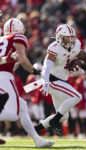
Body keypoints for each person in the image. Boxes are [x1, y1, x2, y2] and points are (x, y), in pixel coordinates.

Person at [0, 18, 54, 147]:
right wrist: (34, 71)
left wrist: (7, 59)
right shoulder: (17, 37)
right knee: (13, 114)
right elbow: (23, 60)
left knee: (22, 106)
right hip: (4, 76)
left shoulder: (1, 40)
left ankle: (37, 140)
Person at [35, 24, 86, 135]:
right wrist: (45, 81)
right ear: (59, 37)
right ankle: (54, 121)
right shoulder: (55, 48)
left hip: (62, 81)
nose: (70, 41)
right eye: (67, 38)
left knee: (64, 116)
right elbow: (46, 66)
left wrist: (84, 67)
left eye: (71, 38)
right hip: (52, 80)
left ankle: (36, 129)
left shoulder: (76, 45)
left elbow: (84, 55)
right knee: (77, 96)